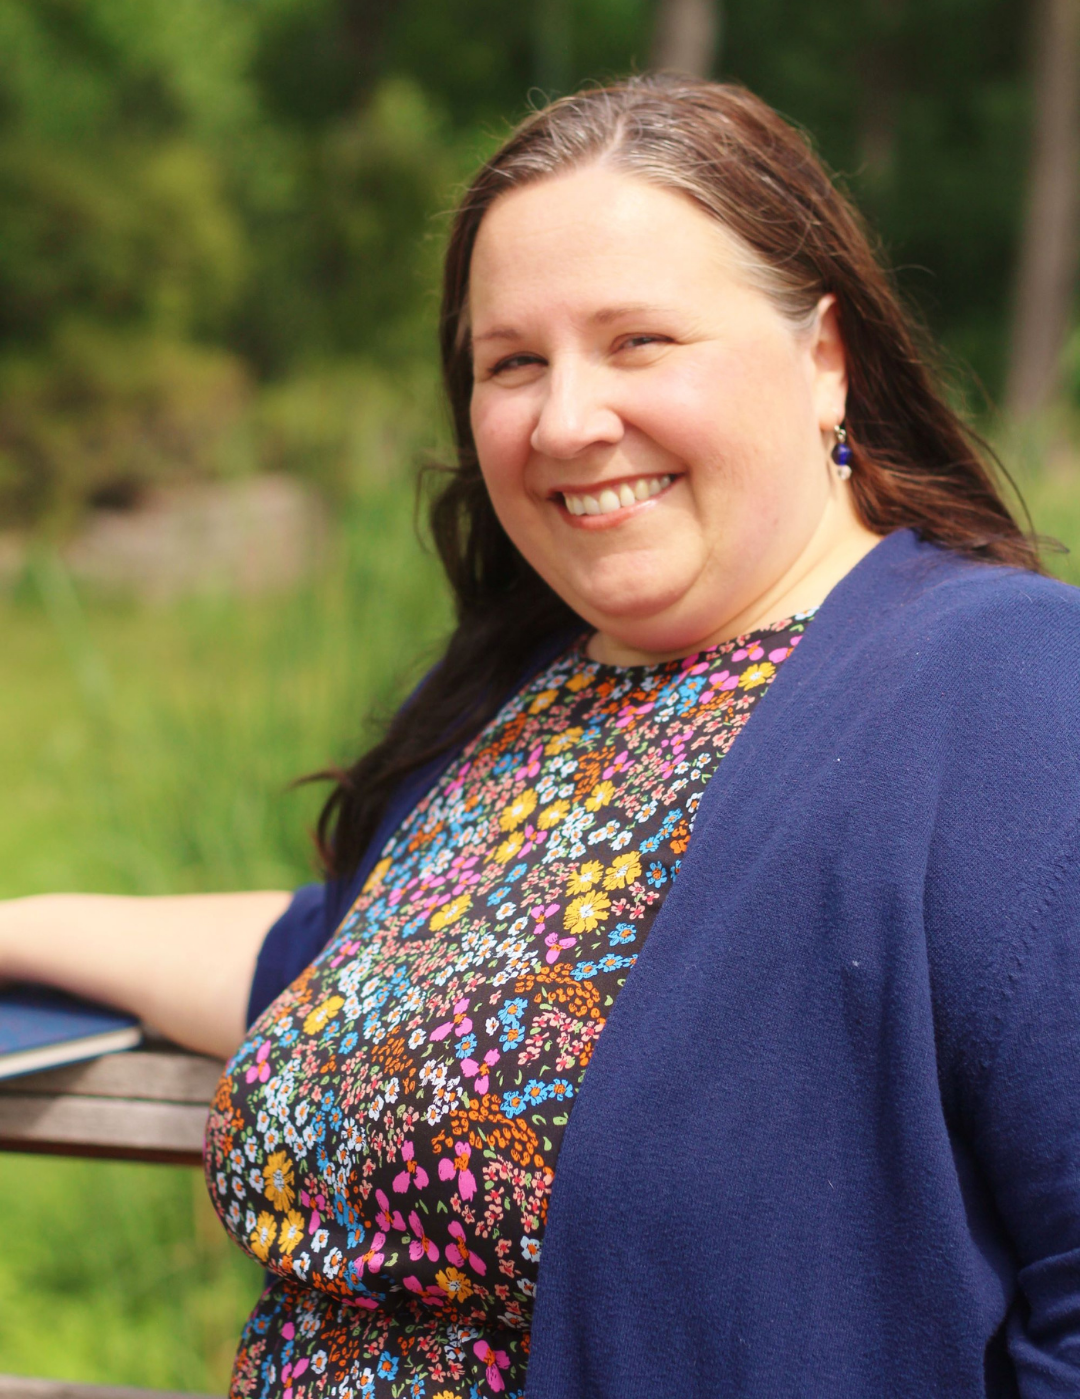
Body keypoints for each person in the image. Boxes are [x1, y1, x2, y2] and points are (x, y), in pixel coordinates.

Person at [2, 74, 1078, 1399]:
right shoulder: (542, 695)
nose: (566, 419)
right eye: (513, 361)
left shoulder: (1009, 695)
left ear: (824, 359)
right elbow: (337, 959)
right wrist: (18, 921)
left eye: (639, 342)